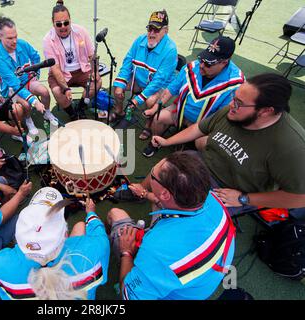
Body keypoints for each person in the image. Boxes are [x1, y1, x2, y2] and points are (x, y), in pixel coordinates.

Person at [152, 73, 305, 215]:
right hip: (202, 164)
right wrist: (167, 141)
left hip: (231, 191)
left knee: (178, 212)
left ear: (265, 111)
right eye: (234, 98)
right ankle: (140, 191)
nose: (231, 105)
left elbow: (300, 198)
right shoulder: (233, 111)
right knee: (162, 176)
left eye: (239, 103)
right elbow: (199, 128)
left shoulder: (292, 147)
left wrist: (243, 199)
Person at [108, 151, 235, 300]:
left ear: (165, 194)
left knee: (115, 214)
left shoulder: (157, 251)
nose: (151, 176)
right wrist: (145, 194)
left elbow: (128, 295)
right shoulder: (212, 198)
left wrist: (126, 252)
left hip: (167, 279)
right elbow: (165, 203)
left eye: (152, 175)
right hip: (201, 277)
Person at [0, 187, 110, 300]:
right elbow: (99, 235)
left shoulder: (0, 264)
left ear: (17, 235)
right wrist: (91, 213)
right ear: (65, 234)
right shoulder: (94, 250)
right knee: (81, 226)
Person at [142, 36, 244, 157]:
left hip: (205, 123)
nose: (201, 65)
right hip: (180, 112)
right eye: (202, 59)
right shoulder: (191, 68)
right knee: (158, 118)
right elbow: (170, 90)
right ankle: (156, 142)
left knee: (201, 143)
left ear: (224, 63)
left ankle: (190, 149)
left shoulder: (235, 83)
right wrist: (154, 109)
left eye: (208, 63)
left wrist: (198, 126)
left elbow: (221, 118)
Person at [0, 16, 59, 135]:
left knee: (44, 92)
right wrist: (34, 102)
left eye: (15, 36)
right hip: (12, 88)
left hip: (27, 80)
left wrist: (35, 75)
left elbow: (36, 57)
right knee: (26, 104)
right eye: (10, 38)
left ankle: (47, 113)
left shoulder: (21, 43)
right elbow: (15, 84)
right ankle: (29, 120)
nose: (14, 41)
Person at [111, 10, 177, 126]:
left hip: (161, 86)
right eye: (149, 29)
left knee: (150, 100)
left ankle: (148, 125)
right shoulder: (139, 41)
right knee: (117, 88)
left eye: (156, 30)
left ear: (165, 31)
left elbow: (158, 81)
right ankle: (119, 112)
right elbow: (127, 63)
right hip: (141, 80)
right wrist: (120, 85)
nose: (151, 33)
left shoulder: (171, 50)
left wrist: (138, 99)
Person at [43, 1, 102, 121]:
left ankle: (81, 107)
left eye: (66, 23)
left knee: (97, 82)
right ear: (53, 23)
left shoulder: (81, 31)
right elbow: (55, 69)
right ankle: (72, 114)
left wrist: (95, 72)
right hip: (60, 72)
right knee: (57, 91)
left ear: (70, 20)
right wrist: (65, 88)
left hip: (82, 69)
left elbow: (92, 56)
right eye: (59, 24)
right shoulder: (48, 40)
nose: (63, 26)